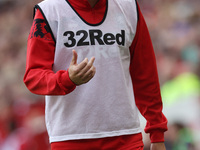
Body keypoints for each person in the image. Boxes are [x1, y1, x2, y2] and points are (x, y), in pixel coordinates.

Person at [23, 0, 168, 149]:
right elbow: (33, 76)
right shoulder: (49, 11)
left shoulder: (129, 6)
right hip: (70, 138)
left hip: (125, 137)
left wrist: (157, 133)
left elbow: (145, 74)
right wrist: (67, 79)